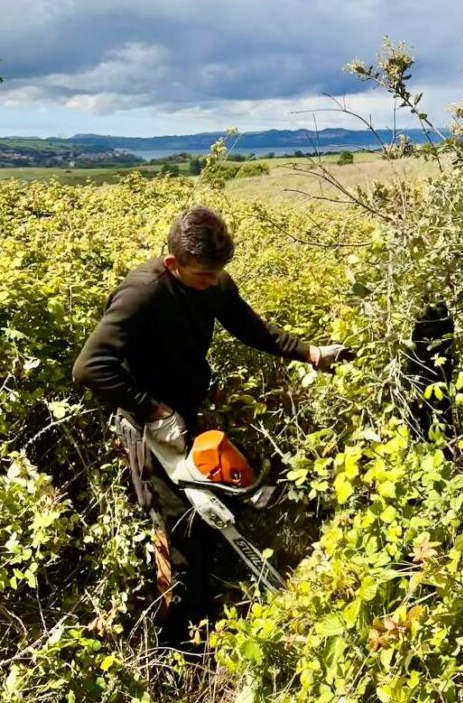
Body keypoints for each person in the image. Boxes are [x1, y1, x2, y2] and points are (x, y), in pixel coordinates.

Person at [72, 205, 348, 645]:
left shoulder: (215, 280)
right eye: (203, 276)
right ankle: (178, 644)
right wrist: (151, 410)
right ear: (172, 264)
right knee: (177, 529)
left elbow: (250, 328)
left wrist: (310, 353)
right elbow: (89, 368)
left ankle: (210, 619)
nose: (213, 283)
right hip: (148, 429)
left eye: (219, 274)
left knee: (211, 515)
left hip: (184, 416)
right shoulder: (142, 294)